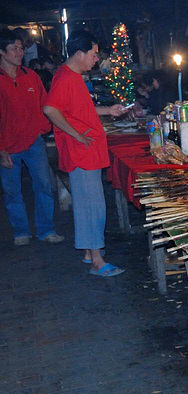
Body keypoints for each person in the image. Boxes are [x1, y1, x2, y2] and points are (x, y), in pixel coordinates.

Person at [43, 31, 126, 277]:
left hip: (85, 151)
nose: (96, 59)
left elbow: (79, 110)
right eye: (93, 54)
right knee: (93, 206)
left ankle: (89, 252)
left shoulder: (72, 75)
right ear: (79, 54)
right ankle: (98, 262)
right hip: (82, 152)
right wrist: (77, 135)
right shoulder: (66, 78)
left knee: (86, 203)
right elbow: (50, 109)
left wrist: (108, 109)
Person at [0, 29, 64, 246]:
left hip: (33, 142)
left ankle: (46, 229)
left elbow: (43, 104)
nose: (19, 52)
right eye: (14, 49)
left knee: (44, 186)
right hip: (7, 146)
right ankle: (21, 231)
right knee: (12, 192)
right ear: (2, 52)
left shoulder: (31, 76)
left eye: (21, 48)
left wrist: (42, 129)